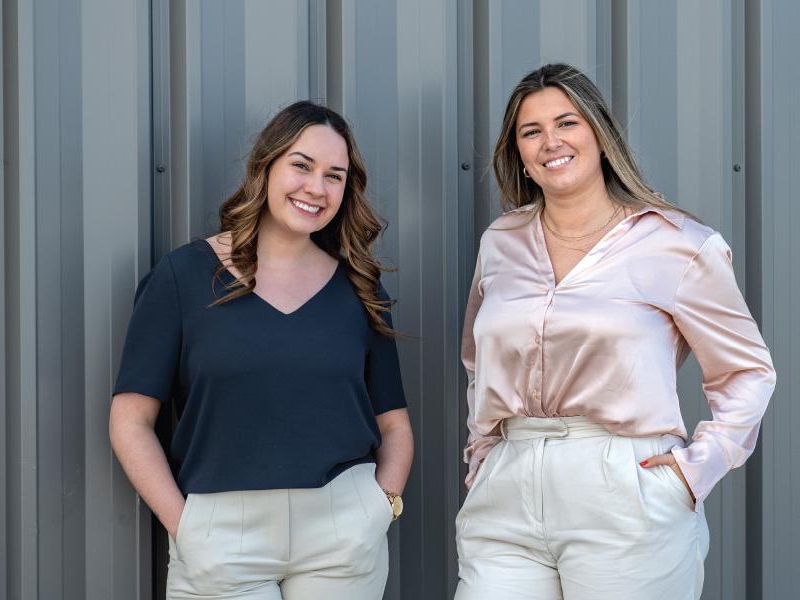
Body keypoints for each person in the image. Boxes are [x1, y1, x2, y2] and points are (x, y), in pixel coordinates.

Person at [455, 63, 775, 599]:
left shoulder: (677, 243)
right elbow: (477, 359)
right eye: (530, 132)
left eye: (567, 123)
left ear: (600, 135)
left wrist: (691, 473)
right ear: (520, 155)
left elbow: (746, 372)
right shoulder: (501, 241)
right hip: (507, 489)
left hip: (624, 490)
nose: (550, 142)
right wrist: (484, 454)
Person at [109, 100, 413, 600]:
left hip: (342, 531)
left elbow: (395, 425)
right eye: (301, 165)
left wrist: (380, 507)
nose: (316, 187)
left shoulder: (359, 286)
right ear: (265, 166)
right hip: (222, 534)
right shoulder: (184, 276)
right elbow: (130, 420)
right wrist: (186, 527)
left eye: (334, 176)